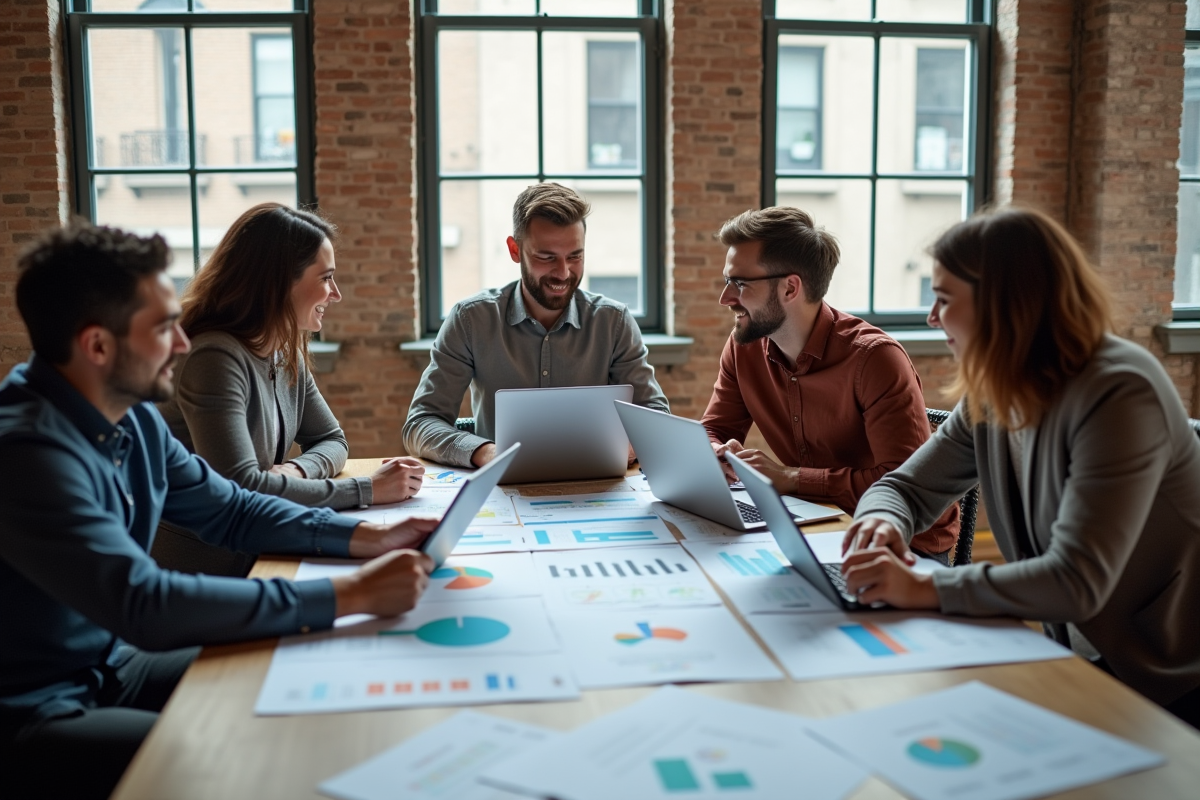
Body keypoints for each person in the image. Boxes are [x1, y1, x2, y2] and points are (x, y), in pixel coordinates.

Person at [0, 222, 437, 800]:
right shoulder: (26, 454)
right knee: (213, 749)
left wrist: (364, 538)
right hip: (33, 707)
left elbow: (230, 508)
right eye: (162, 328)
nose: (183, 343)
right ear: (98, 346)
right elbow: (144, 603)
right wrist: (348, 596)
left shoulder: (126, 415)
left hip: (113, 663)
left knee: (292, 677)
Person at [841, 206, 1200, 727]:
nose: (931, 318)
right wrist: (883, 519)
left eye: (943, 299)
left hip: (1165, 675)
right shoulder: (996, 386)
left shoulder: (1121, 391)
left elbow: (1076, 581)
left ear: (1002, 304)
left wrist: (924, 588)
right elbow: (906, 487)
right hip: (1083, 655)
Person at [700, 207, 958, 562]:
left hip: (903, 541)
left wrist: (792, 477)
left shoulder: (875, 359)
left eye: (740, 284)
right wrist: (716, 453)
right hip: (816, 524)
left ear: (790, 288)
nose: (726, 298)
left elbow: (901, 484)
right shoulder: (744, 346)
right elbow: (714, 427)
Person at [159, 203, 424, 511]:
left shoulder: (283, 349)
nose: (336, 293)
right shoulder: (213, 358)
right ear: (281, 283)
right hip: (207, 555)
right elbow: (241, 488)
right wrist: (367, 489)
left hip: (261, 537)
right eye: (325, 278)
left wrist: (296, 470)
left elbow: (332, 440)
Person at [403, 182, 669, 467]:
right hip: (502, 491)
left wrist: (627, 447)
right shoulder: (470, 320)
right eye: (546, 257)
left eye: (575, 256)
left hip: (596, 486)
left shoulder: (613, 322)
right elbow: (421, 423)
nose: (563, 273)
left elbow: (654, 414)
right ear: (515, 250)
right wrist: (488, 453)